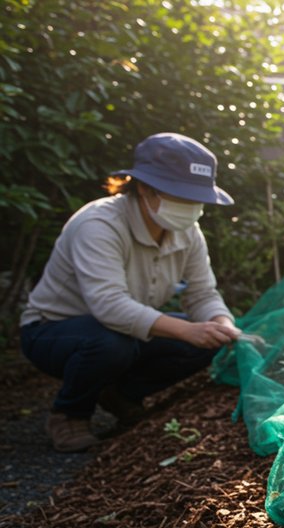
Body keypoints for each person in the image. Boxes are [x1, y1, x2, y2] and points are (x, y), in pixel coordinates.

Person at [20, 133, 243, 453]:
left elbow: (201, 294)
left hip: (128, 328)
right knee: (112, 343)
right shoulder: (98, 223)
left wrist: (221, 323)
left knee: (208, 344)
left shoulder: (188, 232)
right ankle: (69, 414)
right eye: (179, 196)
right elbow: (109, 305)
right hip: (53, 330)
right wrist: (189, 330)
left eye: (195, 199)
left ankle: (121, 395)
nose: (189, 207)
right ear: (143, 188)